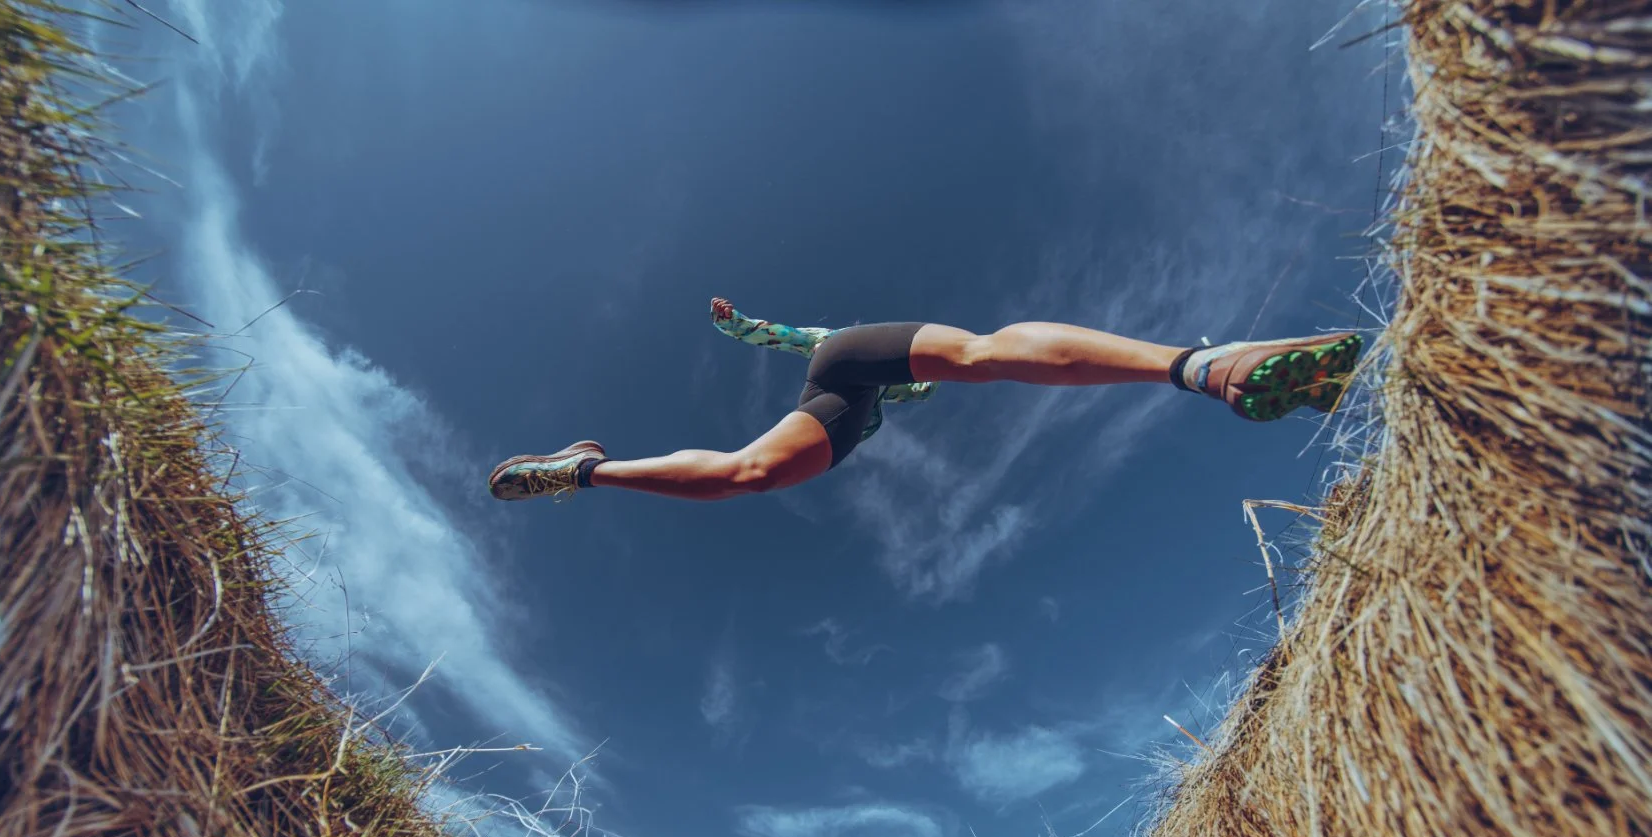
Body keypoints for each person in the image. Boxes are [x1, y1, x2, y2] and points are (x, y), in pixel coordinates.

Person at [488, 297, 1363, 503]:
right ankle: (1209, 367)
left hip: (854, 396)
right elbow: (778, 338)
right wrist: (739, 324)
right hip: (839, 364)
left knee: (749, 474)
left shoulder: (885, 392)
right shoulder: (831, 347)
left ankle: (584, 470)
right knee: (979, 355)